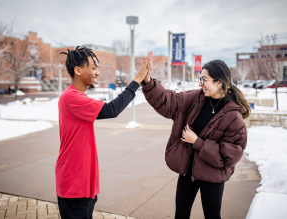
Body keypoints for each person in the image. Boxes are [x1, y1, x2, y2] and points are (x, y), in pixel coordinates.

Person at [141, 60, 250, 219]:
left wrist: (197, 142)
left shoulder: (234, 116)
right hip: (188, 170)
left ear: (219, 82)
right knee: (181, 214)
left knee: (212, 216)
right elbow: (168, 100)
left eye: (204, 79)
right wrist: (148, 82)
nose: (201, 84)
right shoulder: (195, 98)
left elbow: (228, 157)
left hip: (213, 174)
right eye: (201, 79)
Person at [55, 46, 151, 219]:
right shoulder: (72, 97)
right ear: (77, 70)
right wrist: (136, 80)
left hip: (83, 182)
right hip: (74, 184)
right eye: (92, 68)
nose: (97, 72)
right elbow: (112, 109)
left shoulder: (76, 96)